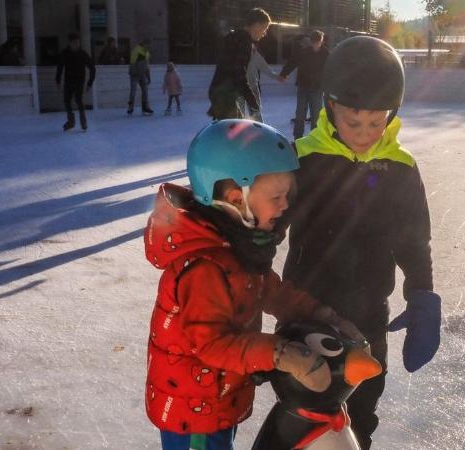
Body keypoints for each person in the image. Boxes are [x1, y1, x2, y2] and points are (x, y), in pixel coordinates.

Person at [143, 119, 364, 450]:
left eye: (288, 195)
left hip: (218, 399)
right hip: (193, 413)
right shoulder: (204, 268)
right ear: (236, 199)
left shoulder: (237, 247)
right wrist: (280, 354)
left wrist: (322, 314)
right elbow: (213, 345)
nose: (285, 205)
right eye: (277, 196)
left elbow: (273, 292)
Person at [280, 36, 442, 450]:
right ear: (330, 106)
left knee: (362, 410)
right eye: (355, 123)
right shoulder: (301, 161)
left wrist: (421, 293)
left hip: (369, 317)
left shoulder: (401, 169)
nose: (366, 134)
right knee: (304, 410)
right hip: (306, 313)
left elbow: (413, 239)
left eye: (378, 122)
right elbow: (268, 228)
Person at [207, 8, 271, 120]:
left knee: (233, 129)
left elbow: (229, 68)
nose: (264, 33)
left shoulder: (234, 37)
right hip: (225, 94)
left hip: (220, 92)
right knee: (235, 132)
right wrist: (252, 101)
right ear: (256, 25)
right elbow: (238, 73)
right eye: (264, 28)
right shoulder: (244, 42)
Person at [279, 30, 328, 140]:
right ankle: (297, 136)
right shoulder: (303, 52)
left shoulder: (326, 55)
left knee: (316, 114)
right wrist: (283, 74)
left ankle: (315, 137)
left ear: (321, 41)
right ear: (310, 41)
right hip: (303, 86)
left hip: (317, 88)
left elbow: (332, 70)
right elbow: (292, 62)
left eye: (317, 42)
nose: (315, 44)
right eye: (313, 42)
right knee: (300, 113)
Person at [56, 33, 95, 131]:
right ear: (70, 43)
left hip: (79, 81)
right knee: (67, 100)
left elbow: (92, 68)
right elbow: (60, 67)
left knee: (78, 100)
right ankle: (71, 121)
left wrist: (90, 82)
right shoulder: (64, 53)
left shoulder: (82, 54)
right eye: (75, 43)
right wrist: (58, 80)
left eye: (78, 42)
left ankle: (83, 122)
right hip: (69, 80)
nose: (77, 44)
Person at [244, 43, 281, 122]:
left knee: (255, 111)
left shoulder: (254, 53)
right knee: (240, 113)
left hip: (252, 85)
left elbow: (264, 67)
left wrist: (276, 77)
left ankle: (258, 129)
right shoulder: (238, 53)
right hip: (240, 86)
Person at [128, 38, 153, 115]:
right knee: (133, 91)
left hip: (142, 74)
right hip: (135, 74)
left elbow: (147, 66)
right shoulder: (136, 50)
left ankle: (145, 107)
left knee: (145, 90)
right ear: (144, 44)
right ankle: (130, 107)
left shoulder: (147, 53)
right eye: (147, 45)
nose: (148, 47)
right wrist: (133, 72)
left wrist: (148, 77)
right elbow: (132, 62)